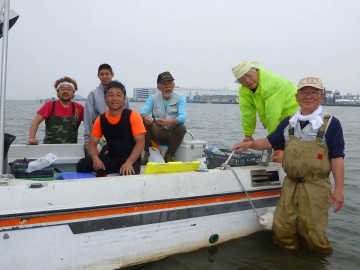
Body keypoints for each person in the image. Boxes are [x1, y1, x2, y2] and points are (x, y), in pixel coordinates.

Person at [231, 76, 345, 253]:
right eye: (304, 92)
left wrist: (338, 190)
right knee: (283, 230)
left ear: (322, 96)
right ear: (296, 97)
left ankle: (316, 262)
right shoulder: (288, 122)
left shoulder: (331, 124)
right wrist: (249, 144)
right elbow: (270, 141)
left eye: (314, 92)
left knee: (313, 233)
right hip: (290, 184)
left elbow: (337, 158)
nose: (309, 96)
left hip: (316, 186)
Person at [77, 80, 145, 175]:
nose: (114, 98)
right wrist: (96, 159)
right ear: (105, 99)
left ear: (124, 98)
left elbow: (140, 143)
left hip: (131, 159)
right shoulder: (100, 120)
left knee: (127, 173)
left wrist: (129, 163)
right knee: (82, 164)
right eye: (111, 95)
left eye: (118, 95)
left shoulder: (133, 115)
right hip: (111, 157)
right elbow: (92, 144)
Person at [231, 61, 299, 142]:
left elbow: (273, 113)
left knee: (288, 145)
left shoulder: (271, 85)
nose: (248, 81)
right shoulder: (244, 91)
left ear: (256, 71)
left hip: (294, 113)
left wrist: (271, 138)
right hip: (276, 117)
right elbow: (247, 114)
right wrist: (248, 135)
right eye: (242, 79)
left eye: (249, 76)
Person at [139, 71, 186, 164]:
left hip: (172, 134)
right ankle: (147, 154)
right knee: (143, 122)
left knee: (182, 127)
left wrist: (169, 122)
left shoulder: (180, 98)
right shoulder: (153, 98)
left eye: (169, 83)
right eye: (164, 84)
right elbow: (142, 112)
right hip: (157, 132)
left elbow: (182, 117)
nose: (167, 86)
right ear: (159, 87)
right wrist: (145, 117)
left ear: (173, 85)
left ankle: (169, 155)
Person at [83, 64, 130, 151]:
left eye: (107, 74)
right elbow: (88, 118)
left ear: (112, 74)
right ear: (98, 76)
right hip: (100, 134)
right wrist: (88, 139)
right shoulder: (93, 95)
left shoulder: (122, 94)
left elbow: (128, 116)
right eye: (102, 74)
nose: (104, 76)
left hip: (119, 133)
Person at [28, 76, 84, 144]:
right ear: (57, 92)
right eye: (62, 89)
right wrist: (32, 138)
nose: (65, 91)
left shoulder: (79, 108)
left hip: (71, 148)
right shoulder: (49, 106)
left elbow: (91, 124)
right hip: (49, 148)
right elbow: (35, 122)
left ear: (73, 93)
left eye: (69, 89)